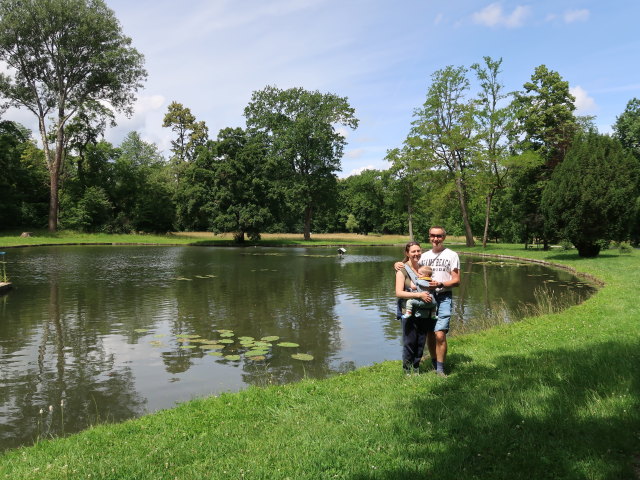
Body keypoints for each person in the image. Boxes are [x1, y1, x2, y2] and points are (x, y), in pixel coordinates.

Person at [395, 226, 460, 376]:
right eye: (433, 235)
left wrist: (440, 284)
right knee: (428, 334)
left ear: (444, 237)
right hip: (424, 298)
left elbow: (456, 281)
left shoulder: (452, 255)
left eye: (439, 236)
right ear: (429, 237)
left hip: (442, 297)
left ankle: (440, 369)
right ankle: (432, 364)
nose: (435, 238)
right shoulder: (424, 255)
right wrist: (397, 264)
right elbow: (409, 264)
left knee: (439, 334)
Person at [395, 241, 434, 373]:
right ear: (407, 253)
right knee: (409, 342)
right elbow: (398, 293)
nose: (416, 254)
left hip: (424, 312)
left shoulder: (424, 269)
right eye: (413, 251)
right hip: (409, 311)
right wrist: (419, 295)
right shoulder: (402, 270)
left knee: (421, 341)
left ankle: (416, 368)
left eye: (418, 251)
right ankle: (407, 370)